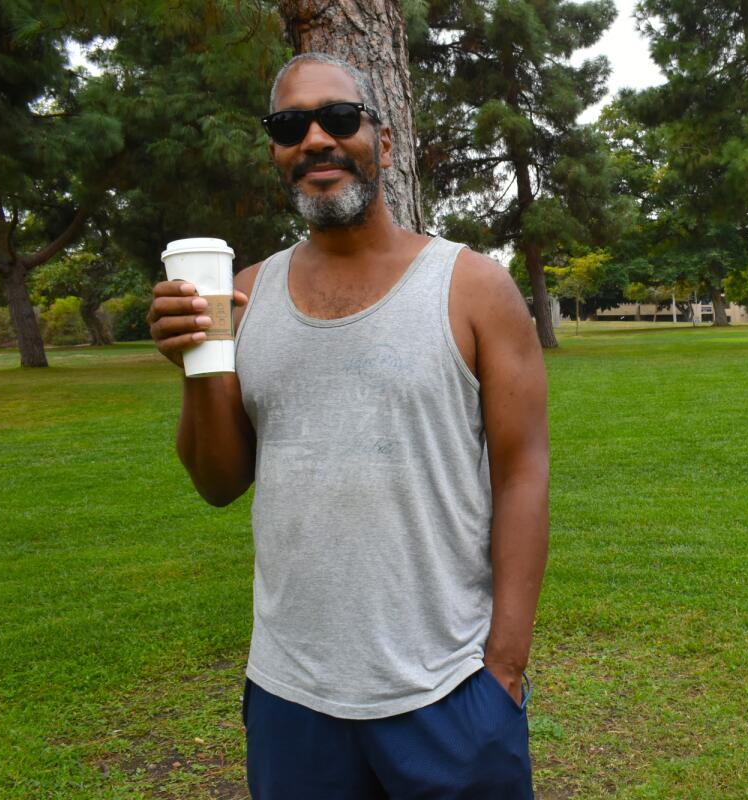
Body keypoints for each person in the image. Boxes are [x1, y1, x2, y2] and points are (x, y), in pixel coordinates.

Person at [146, 52, 549, 799]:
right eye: (289, 125)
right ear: (276, 152)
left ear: (383, 143)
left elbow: (523, 471)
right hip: (290, 697)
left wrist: (505, 667)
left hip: (451, 691)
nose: (316, 141)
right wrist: (195, 367)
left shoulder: (473, 288)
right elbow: (218, 482)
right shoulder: (242, 297)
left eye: (338, 118)